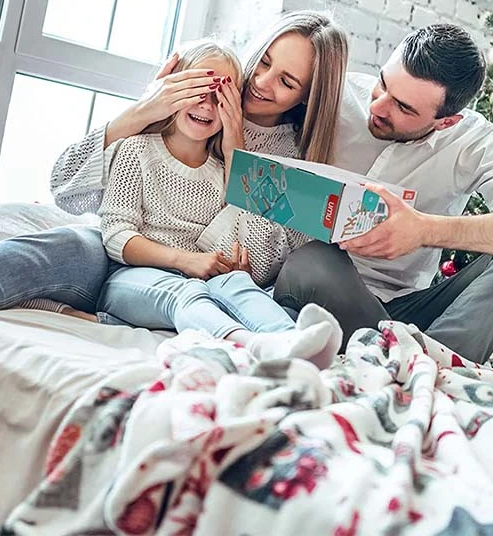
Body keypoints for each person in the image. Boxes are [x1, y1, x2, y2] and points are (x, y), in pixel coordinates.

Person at [0, 11, 348, 344]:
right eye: (262, 63)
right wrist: (141, 112)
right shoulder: (191, 100)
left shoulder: (288, 165)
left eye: (286, 82)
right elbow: (68, 190)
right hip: (122, 250)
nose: (260, 83)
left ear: (306, 99)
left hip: (184, 274)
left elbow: (246, 265)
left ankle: (277, 342)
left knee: (202, 293)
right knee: (63, 243)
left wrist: (237, 156)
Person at [273, 22, 493, 363]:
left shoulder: (472, 141)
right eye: (383, 84)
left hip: (410, 311)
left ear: (447, 121)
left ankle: (432, 362)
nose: (379, 107)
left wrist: (423, 230)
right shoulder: (336, 96)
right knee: (313, 262)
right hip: (324, 285)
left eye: (404, 108)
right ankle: (421, 362)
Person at [91, 40, 341, 368]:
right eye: (197, 90)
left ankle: (291, 339)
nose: (207, 107)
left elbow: (233, 234)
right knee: (187, 295)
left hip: (196, 278)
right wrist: (186, 261)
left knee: (234, 284)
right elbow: (115, 235)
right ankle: (254, 344)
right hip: (131, 277)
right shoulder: (136, 150)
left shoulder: (222, 169)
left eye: (220, 98)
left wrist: (229, 266)